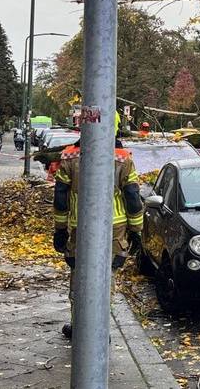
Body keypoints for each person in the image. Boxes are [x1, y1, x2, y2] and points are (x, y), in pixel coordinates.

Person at [52, 113, 143, 338]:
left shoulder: (70, 156)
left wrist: (60, 230)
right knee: (107, 276)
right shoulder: (124, 158)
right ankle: (100, 329)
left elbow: (60, 197)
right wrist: (136, 230)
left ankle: (78, 324)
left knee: (78, 273)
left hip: (79, 227)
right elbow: (132, 196)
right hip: (115, 227)